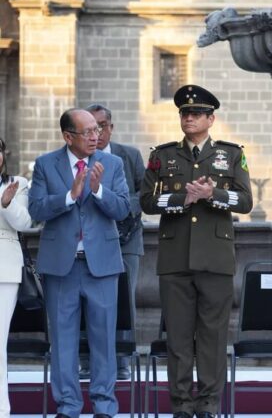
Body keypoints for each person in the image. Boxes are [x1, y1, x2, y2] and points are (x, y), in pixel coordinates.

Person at [140, 84, 252, 418]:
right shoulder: (163, 155)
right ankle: (181, 406)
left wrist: (213, 193)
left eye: (197, 113)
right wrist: (181, 199)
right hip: (175, 260)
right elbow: (146, 201)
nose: (189, 118)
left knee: (212, 338)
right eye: (185, 113)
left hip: (215, 259)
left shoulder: (231, 154)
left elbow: (245, 202)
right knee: (177, 338)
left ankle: (208, 404)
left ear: (211, 119)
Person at [28, 109, 130, 418]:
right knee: (63, 340)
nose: (95, 136)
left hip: (101, 265)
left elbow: (124, 208)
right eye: (87, 131)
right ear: (68, 136)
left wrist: (98, 190)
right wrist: (68, 197)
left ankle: (103, 406)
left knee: (103, 340)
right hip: (62, 266)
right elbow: (36, 208)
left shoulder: (112, 163)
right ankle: (68, 406)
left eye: (97, 130)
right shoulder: (46, 164)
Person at [77, 104, 144, 381]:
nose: (98, 132)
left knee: (123, 300)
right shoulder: (76, 159)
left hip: (125, 239)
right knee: (83, 297)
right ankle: (86, 360)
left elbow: (146, 194)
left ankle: (121, 360)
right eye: (91, 127)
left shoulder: (129, 156)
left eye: (102, 125)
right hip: (87, 240)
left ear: (111, 128)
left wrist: (118, 206)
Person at [0, 137, 33, 418]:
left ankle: (1, 408)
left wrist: (7, 203)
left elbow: (25, 223)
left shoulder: (17, 183)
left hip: (4, 268)